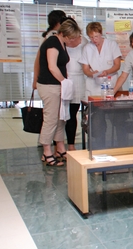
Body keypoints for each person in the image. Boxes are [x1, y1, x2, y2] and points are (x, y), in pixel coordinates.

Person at [36, 19, 82, 166]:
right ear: (64, 34)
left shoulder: (61, 43)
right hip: (49, 85)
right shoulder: (52, 43)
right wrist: (65, 81)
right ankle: (46, 151)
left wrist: (64, 83)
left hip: (59, 86)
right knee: (50, 119)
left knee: (61, 118)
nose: (73, 41)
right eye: (72, 38)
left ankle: (60, 149)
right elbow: (52, 67)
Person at [79, 22, 122, 98]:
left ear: (101, 33)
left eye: (96, 36)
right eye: (91, 37)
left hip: (110, 82)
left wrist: (107, 72)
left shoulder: (111, 45)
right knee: (94, 107)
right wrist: (91, 74)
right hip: (93, 85)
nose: (94, 39)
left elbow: (117, 65)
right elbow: (85, 69)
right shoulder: (87, 48)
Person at [64, 25, 87, 151]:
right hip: (65, 79)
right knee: (63, 114)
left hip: (79, 80)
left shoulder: (84, 42)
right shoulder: (61, 42)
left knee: (74, 113)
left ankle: (71, 144)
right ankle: (59, 144)